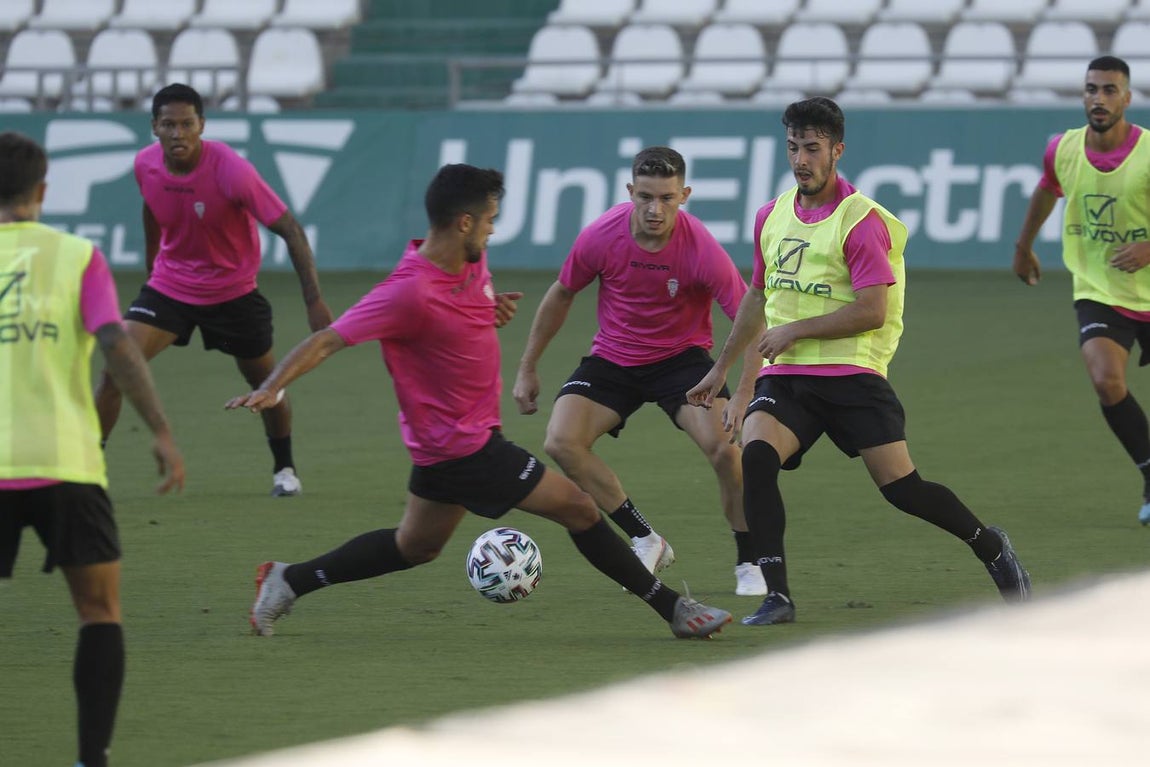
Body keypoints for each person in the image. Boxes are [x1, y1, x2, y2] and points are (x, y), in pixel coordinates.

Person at [225, 163, 732, 639]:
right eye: (489, 221)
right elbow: (328, 340)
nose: (492, 231)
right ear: (463, 223)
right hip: (463, 447)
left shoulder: (468, 261)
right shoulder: (407, 291)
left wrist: (489, 308)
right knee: (579, 508)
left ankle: (287, 580)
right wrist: (272, 386)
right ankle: (673, 609)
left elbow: (460, 311)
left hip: (446, 447)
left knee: (415, 546)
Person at [687, 97, 1031, 627]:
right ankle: (777, 597)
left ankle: (990, 545)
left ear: (837, 151)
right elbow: (757, 296)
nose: (801, 160)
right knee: (755, 459)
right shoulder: (770, 216)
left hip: (853, 376)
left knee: (903, 490)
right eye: (793, 147)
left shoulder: (861, 221)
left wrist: (795, 329)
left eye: (812, 148)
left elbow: (872, 310)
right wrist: (722, 370)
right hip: (788, 377)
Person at [0, 132, 185, 767]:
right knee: (99, 612)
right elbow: (117, 346)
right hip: (66, 465)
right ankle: (91, 759)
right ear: (43, 190)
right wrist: (160, 429)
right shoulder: (77, 257)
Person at [512, 146, 767, 596]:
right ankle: (646, 538)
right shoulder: (601, 236)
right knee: (561, 442)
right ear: (630, 191)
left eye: (667, 198)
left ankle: (749, 560)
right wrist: (527, 367)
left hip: (682, 361)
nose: (655, 209)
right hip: (614, 358)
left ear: (684, 195)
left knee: (727, 453)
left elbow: (751, 320)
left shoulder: (702, 249)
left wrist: (744, 391)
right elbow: (562, 293)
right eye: (645, 197)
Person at [94, 83, 332, 497]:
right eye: (169, 124)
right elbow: (151, 207)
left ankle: (284, 469)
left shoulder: (232, 171)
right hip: (170, 286)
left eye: (187, 124)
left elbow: (291, 230)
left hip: (233, 293)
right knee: (116, 366)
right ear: (154, 127)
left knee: (267, 385)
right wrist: (153, 267)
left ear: (202, 125)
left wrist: (314, 301)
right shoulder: (145, 164)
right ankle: (87, 470)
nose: (178, 133)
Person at [1012, 56, 1150, 525]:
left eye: (1110, 90)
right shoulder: (1062, 149)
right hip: (1100, 288)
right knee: (1107, 381)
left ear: (1127, 98)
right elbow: (1047, 189)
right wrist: (1024, 246)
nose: (1099, 98)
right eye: (1092, 89)